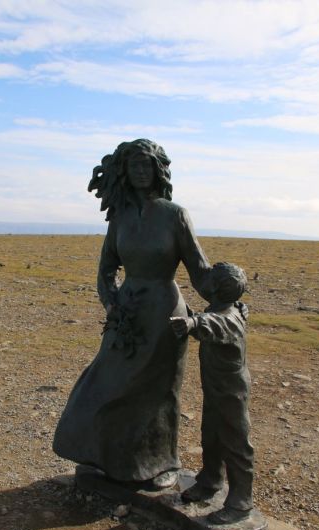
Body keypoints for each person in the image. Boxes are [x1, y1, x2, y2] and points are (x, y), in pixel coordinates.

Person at [53, 139, 210, 489]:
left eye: (146, 164)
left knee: (158, 391)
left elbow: (200, 271)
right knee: (104, 383)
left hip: (165, 314)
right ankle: (109, 458)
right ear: (124, 171)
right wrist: (111, 304)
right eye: (134, 165)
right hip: (126, 314)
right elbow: (106, 269)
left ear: (158, 169)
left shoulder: (175, 214)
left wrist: (226, 292)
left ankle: (162, 463)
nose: (141, 171)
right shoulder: (120, 217)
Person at [170, 262, 254, 524]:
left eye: (209, 279)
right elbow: (213, 318)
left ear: (216, 288)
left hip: (232, 393)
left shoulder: (228, 319)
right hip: (216, 389)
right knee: (212, 435)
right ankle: (210, 480)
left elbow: (213, 324)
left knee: (236, 443)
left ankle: (241, 503)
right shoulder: (231, 308)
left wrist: (191, 322)